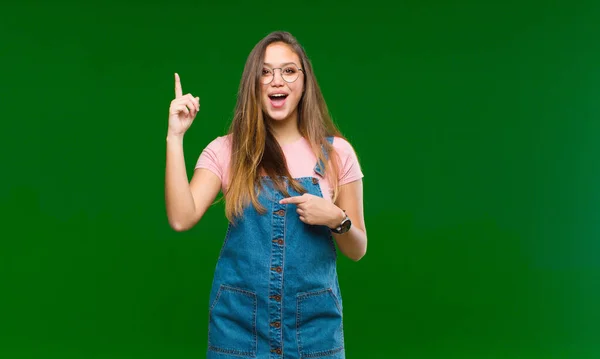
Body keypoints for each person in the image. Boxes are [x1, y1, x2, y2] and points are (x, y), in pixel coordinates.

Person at [165, 31, 367, 359]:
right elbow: (180, 217)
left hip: (313, 329)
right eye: (265, 71)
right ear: (253, 83)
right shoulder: (226, 150)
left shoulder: (337, 154)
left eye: (289, 70)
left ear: (305, 82)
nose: (277, 81)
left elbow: (357, 249)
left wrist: (336, 219)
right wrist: (175, 137)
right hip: (238, 327)